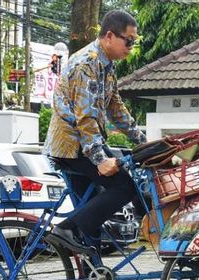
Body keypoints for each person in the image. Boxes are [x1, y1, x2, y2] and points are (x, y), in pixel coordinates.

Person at [44, 10, 146, 253]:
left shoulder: (107, 66)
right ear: (109, 36)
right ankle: (64, 229)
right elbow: (86, 118)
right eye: (128, 41)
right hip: (71, 146)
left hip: (85, 143)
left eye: (134, 42)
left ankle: (90, 271)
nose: (131, 47)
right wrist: (100, 160)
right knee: (125, 188)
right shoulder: (87, 63)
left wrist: (144, 142)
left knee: (92, 217)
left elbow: (116, 108)